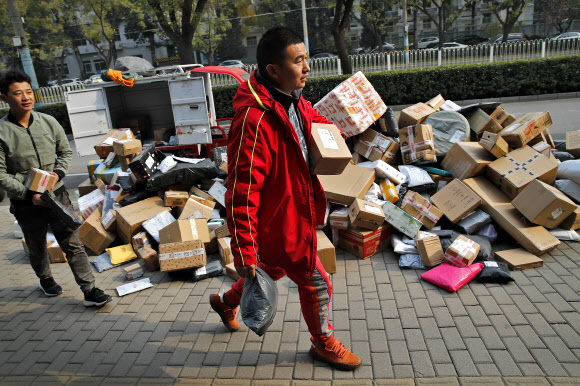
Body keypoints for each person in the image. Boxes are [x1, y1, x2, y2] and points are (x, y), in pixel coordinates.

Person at [209, 26, 361, 371]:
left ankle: (226, 302)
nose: (307, 67)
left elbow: (311, 119)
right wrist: (243, 251)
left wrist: (337, 132)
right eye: (299, 60)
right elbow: (241, 193)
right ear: (274, 69)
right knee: (317, 282)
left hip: (294, 211)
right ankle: (323, 343)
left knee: (272, 268)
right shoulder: (255, 120)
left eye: (306, 58)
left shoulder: (290, 99)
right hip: (281, 220)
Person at [0, 70, 112, 307]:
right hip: (25, 202)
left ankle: (90, 289)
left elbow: (65, 152)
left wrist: (58, 173)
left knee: (72, 242)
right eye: (18, 93)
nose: (25, 97)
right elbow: (0, 173)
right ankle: (46, 278)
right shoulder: (2, 132)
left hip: (56, 194)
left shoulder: (48, 122)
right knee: (37, 245)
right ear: (4, 98)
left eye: (29, 92)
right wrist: (28, 194)